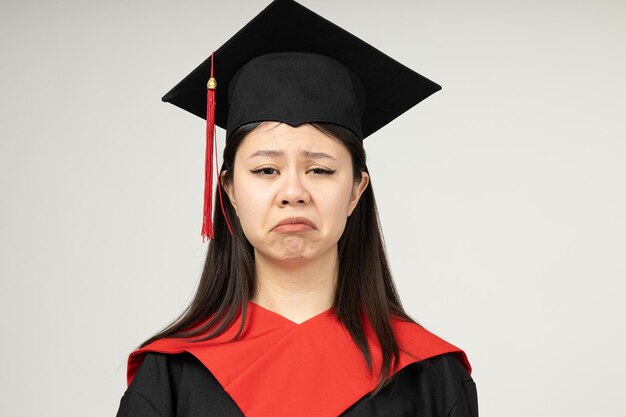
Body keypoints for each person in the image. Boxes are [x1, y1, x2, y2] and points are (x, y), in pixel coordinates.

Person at [115, 0, 479, 416]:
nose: (293, 192)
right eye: (266, 169)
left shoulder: (429, 375)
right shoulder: (172, 376)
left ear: (357, 189)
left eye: (320, 170)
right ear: (229, 189)